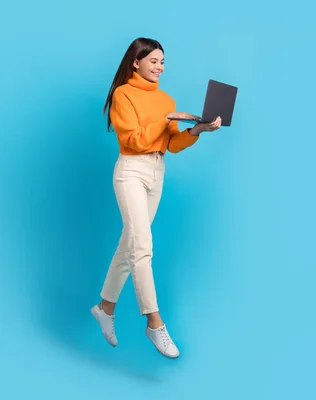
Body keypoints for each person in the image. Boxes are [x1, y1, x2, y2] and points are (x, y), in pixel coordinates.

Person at [91, 37, 222, 359]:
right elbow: (134, 140)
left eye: (162, 62)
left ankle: (105, 308)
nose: (159, 67)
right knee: (142, 247)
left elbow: (171, 145)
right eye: (153, 61)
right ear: (136, 62)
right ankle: (154, 322)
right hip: (131, 170)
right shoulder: (124, 94)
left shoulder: (165, 99)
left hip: (156, 171)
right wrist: (166, 119)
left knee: (129, 244)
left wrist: (196, 130)